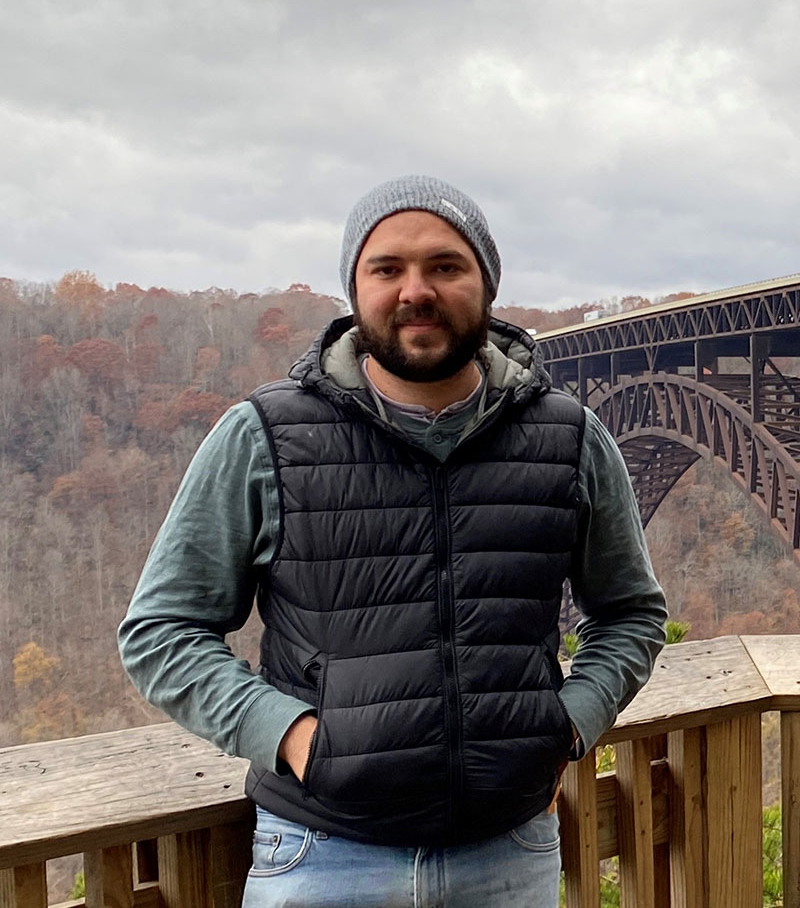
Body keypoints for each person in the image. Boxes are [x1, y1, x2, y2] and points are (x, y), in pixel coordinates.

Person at [118, 176, 669, 907]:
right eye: (387, 269)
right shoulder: (264, 436)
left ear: (486, 284)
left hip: (510, 856)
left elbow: (630, 612)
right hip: (320, 858)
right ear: (355, 288)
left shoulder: (570, 439)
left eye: (446, 266)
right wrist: (290, 736)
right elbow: (161, 631)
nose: (417, 291)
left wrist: (566, 726)